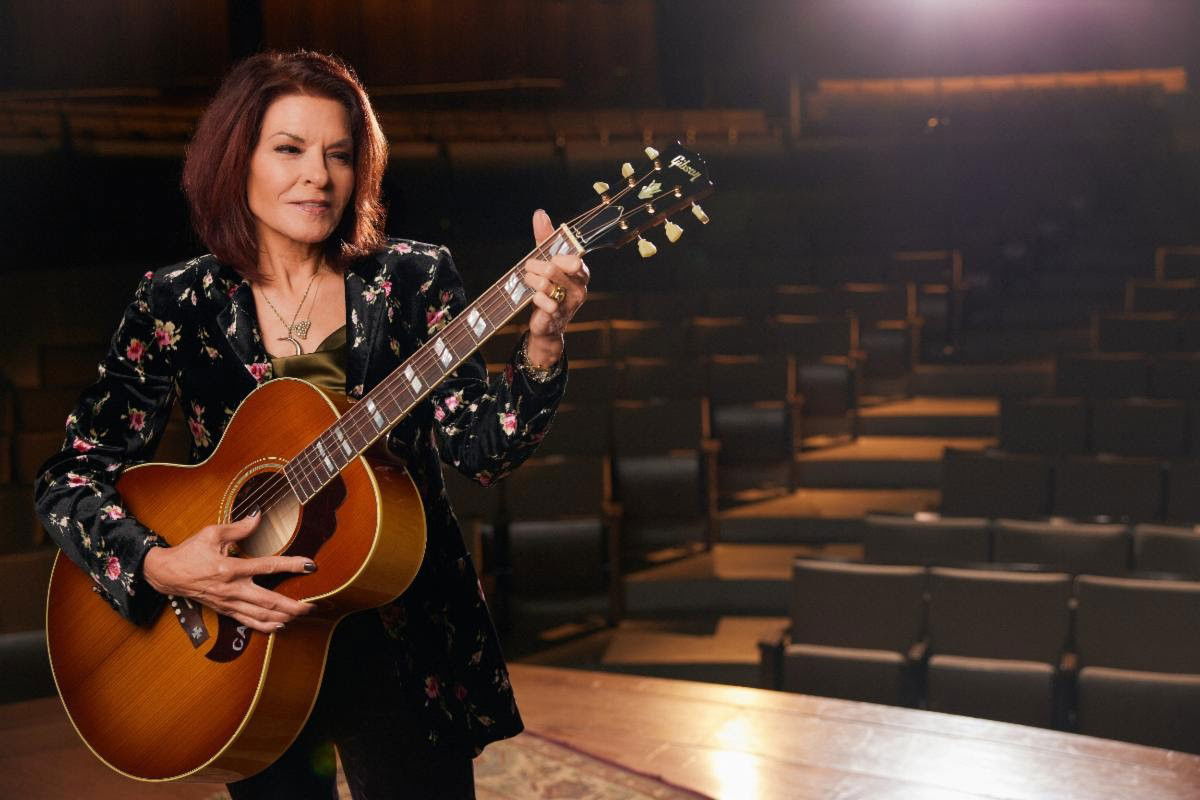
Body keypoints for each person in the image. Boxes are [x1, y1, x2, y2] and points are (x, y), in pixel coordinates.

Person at [33, 49, 588, 798]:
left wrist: (544, 341)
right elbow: (69, 478)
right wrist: (161, 565)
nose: (318, 177)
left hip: (403, 640)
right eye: (289, 150)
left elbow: (482, 449)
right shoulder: (176, 301)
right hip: (240, 653)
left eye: (339, 155)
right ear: (238, 159)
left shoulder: (413, 279)